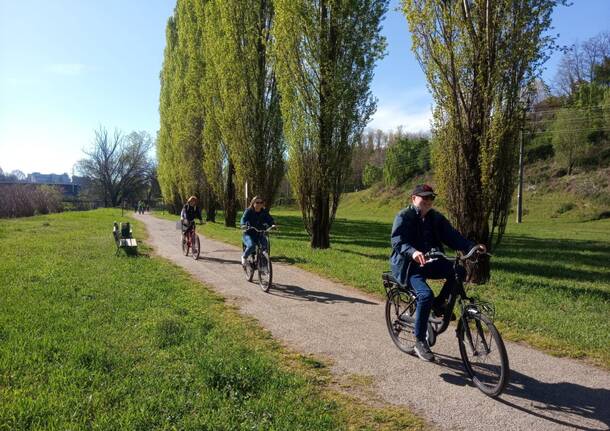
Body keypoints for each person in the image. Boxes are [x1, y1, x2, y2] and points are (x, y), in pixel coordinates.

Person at [390, 184, 486, 362]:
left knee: (458, 271)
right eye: (423, 198)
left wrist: (471, 247)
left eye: (431, 198)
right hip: (409, 266)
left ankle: (439, 304)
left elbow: (452, 236)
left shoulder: (435, 218)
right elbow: (398, 241)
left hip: (430, 261)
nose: (427, 201)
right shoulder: (404, 216)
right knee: (425, 295)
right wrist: (413, 252)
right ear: (414, 199)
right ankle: (420, 342)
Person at [240, 196, 275, 266]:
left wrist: (273, 225)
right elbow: (243, 219)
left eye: (261, 202)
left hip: (260, 233)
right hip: (248, 234)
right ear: (253, 203)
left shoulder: (264, 212)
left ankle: (264, 267)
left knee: (265, 248)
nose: (259, 204)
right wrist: (243, 225)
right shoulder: (248, 211)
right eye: (257, 202)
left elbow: (270, 219)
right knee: (252, 246)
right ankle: (244, 256)